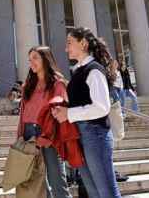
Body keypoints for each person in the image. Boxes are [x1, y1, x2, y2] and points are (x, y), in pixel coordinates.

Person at [52, 27, 122, 198]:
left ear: (83, 43)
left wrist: (68, 114)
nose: (66, 48)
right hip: (81, 135)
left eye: (69, 43)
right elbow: (82, 99)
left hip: (95, 135)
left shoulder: (94, 70)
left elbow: (101, 107)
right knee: (93, 192)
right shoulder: (78, 71)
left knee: (107, 193)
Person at [18, 46, 74, 198]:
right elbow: (23, 113)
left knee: (57, 181)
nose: (31, 62)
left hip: (49, 134)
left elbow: (60, 112)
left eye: (35, 58)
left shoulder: (57, 83)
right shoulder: (28, 85)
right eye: (30, 60)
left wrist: (48, 136)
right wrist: (20, 137)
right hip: (29, 134)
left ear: (45, 59)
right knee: (38, 184)